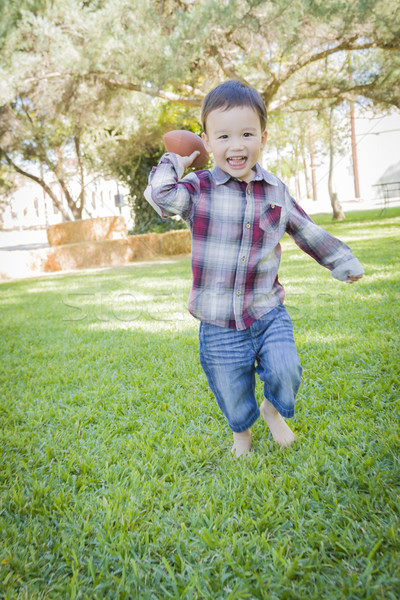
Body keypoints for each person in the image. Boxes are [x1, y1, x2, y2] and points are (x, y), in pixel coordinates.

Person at [144, 79, 364, 458]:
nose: (236, 145)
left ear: (262, 136)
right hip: (218, 320)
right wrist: (176, 160)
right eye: (224, 136)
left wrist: (341, 260)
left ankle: (273, 410)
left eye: (247, 133)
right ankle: (241, 435)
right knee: (230, 386)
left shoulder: (275, 190)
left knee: (286, 369)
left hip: (267, 309)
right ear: (207, 142)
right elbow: (160, 197)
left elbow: (305, 229)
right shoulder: (198, 189)